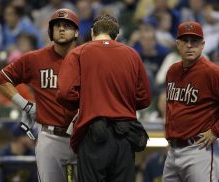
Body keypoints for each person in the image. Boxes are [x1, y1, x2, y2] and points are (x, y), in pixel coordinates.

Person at [57, 14, 152, 182]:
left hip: (94, 136)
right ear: (116, 36)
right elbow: (144, 98)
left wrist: (87, 99)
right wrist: (121, 102)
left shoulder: (78, 53)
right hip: (125, 136)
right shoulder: (132, 54)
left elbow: (65, 93)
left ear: (93, 32)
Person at [0, 8, 79, 182]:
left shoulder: (87, 59)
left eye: (67, 25)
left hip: (81, 138)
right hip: (50, 137)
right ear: (50, 31)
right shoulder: (35, 58)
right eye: (57, 26)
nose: (61, 29)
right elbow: (1, 80)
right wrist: (25, 105)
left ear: (76, 32)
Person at [163, 21, 219, 182]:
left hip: (199, 150)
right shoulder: (172, 70)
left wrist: (217, 131)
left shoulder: (212, 72)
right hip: (173, 150)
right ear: (177, 44)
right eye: (185, 41)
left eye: (194, 41)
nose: (189, 45)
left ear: (202, 45)